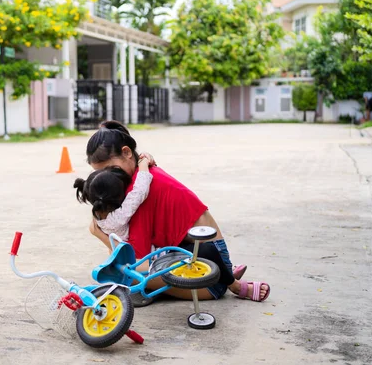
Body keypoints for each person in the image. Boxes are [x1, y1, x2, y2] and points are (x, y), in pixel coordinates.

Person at [85, 121, 269, 304]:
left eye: (111, 169)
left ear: (127, 153)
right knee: (120, 262)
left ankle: (226, 282)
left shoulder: (141, 192)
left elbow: (132, 258)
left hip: (211, 281)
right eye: (101, 174)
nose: (108, 177)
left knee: (118, 271)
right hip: (205, 259)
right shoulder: (142, 176)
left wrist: (99, 234)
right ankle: (159, 287)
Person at [73, 157, 152, 242]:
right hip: (142, 252)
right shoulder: (118, 217)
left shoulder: (99, 215)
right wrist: (143, 162)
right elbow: (140, 191)